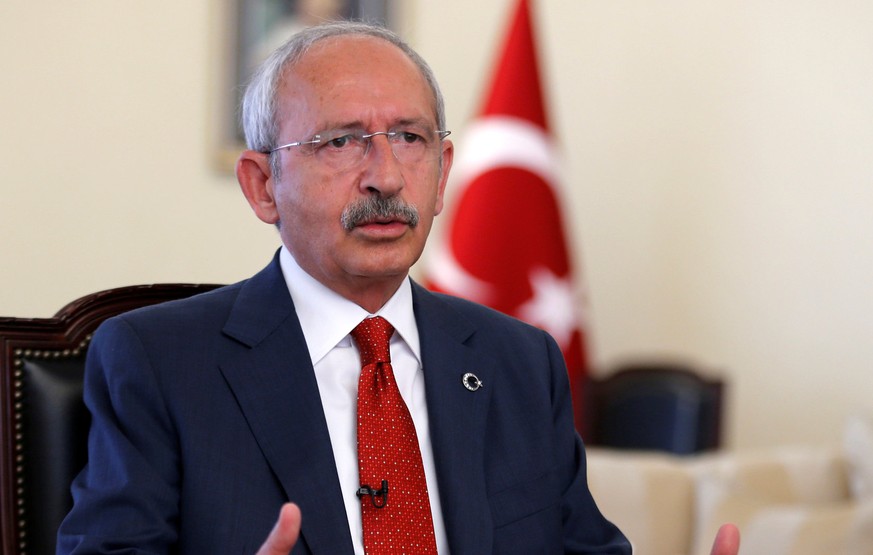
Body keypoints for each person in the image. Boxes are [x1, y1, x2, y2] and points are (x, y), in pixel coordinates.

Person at [57, 22, 739, 555]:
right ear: (262, 186)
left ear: (443, 173)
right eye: (340, 142)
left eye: (409, 137)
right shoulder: (160, 361)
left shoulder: (518, 363)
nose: (385, 175)